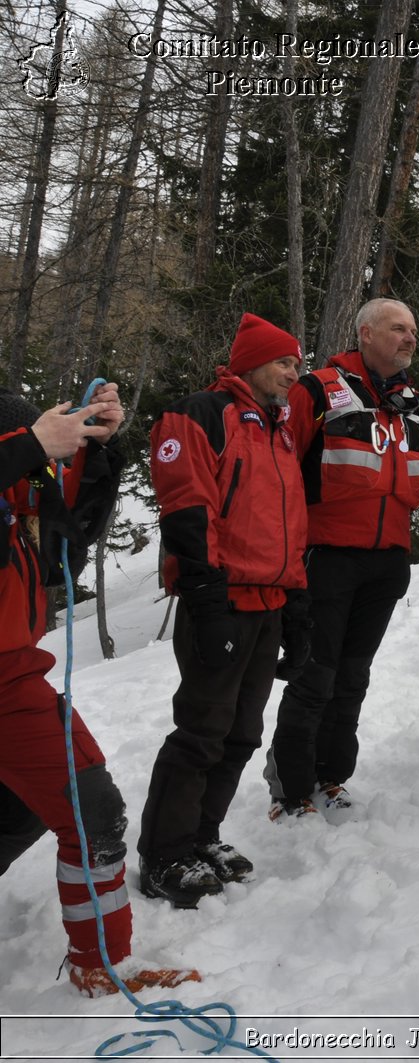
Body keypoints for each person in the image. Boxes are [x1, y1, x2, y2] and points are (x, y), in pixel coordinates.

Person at [0, 386, 200, 994]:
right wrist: (31, 444)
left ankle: (100, 962)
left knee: (84, 808)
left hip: (12, 677)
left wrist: (92, 449)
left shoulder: (18, 487)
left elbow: (66, 542)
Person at [141, 313, 308, 906]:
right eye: (285, 361)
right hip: (222, 601)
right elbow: (188, 507)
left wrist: (296, 606)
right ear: (252, 362)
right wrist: (207, 601)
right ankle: (163, 854)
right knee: (201, 732)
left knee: (241, 734)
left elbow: (286, 525)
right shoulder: (201, 414)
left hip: (267, 603)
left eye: (296, 362)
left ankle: (201, 838)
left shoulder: (278, 427)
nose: (294, 371)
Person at [264, 298, 419, 822]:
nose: (410, 338)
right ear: (365, 333)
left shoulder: (416, 401)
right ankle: (290, 789)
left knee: (352, 677)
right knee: (315, 675)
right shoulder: (317, 388)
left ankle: (331, 775)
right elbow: (280, 472)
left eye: (413, 329)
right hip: (326, 556)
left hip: (387, 562)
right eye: (397, 328)